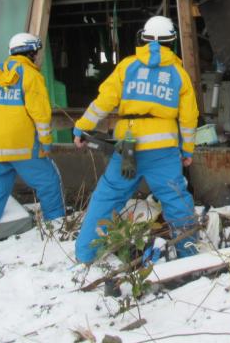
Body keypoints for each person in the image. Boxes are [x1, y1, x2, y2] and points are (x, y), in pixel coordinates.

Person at [73, 15, 199, 263]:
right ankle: (189, 254)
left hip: (128, 149)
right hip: (163, 151)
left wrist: (81, 127)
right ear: (171, 41)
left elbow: (103, 102)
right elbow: (189, 117)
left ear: (143, 38)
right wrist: (187, 150)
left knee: (109, 196)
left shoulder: (127, 67)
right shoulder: (178, 73)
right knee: (175, 199)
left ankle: (85, 253)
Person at [0, 33, 64, 242]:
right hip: (24, 148)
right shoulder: (31, 76)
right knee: (49, 182)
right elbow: (41, 116)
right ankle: (56, 225)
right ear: (31, 52)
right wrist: (46, 144)